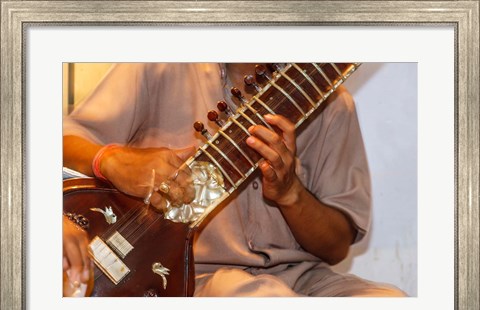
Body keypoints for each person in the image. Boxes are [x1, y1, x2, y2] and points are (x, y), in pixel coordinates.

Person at [63, 63, 406, 297]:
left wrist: (290, 194)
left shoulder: (329, 102)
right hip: (191, 277)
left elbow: (336, 247)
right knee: (266, 307)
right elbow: (58, 142)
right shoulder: (161, 63)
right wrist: (111, 159)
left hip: (302, 279)